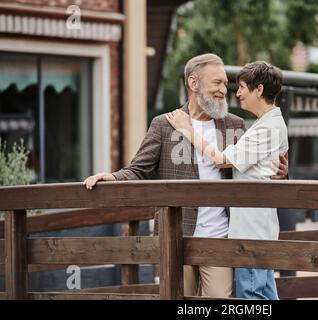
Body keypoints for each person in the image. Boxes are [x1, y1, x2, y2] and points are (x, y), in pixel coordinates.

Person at [83, 54, 288, 298]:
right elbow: (139, 170)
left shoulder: (234, 125)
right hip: (177, 235)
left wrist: (281, 173)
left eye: (226, 83)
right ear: (193, 84)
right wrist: (114, 177)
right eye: (217, 83)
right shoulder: (164, 124)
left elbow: (256, 166)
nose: (225, 90)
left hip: (222, 235)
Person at [166, 61, 288, 300]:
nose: (237, 93)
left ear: (259, 90)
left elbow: (222, 160)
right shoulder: (265, 125)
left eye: (242, 87)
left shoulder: (265, 129)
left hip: (251, 231)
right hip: (255, 229)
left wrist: (188, 130)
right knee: (264, 293)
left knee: (252, 295)